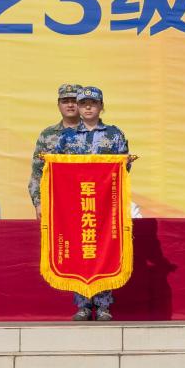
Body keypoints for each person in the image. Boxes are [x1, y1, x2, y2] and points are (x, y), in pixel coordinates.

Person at [53, 85, 132, 321]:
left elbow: (123, 167)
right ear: (78, 108)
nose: (88, 108)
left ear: (101, 107)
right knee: (81, 250)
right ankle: (83, 304)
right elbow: (58, 170)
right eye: (84, 104)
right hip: (78, 204)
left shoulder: (114, 134)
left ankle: (104, 304)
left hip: (106, 205)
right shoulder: (66, 138)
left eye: (93, 104)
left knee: (106, 250)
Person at [29, 84, 83, 216]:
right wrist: (39, 203)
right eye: (65, 101)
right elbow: (37, 173)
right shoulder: (47, 135)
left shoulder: (95, 132)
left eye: (74, 101)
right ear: (58, 105)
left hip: (88, 198)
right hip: (56, 202)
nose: (70, 105)